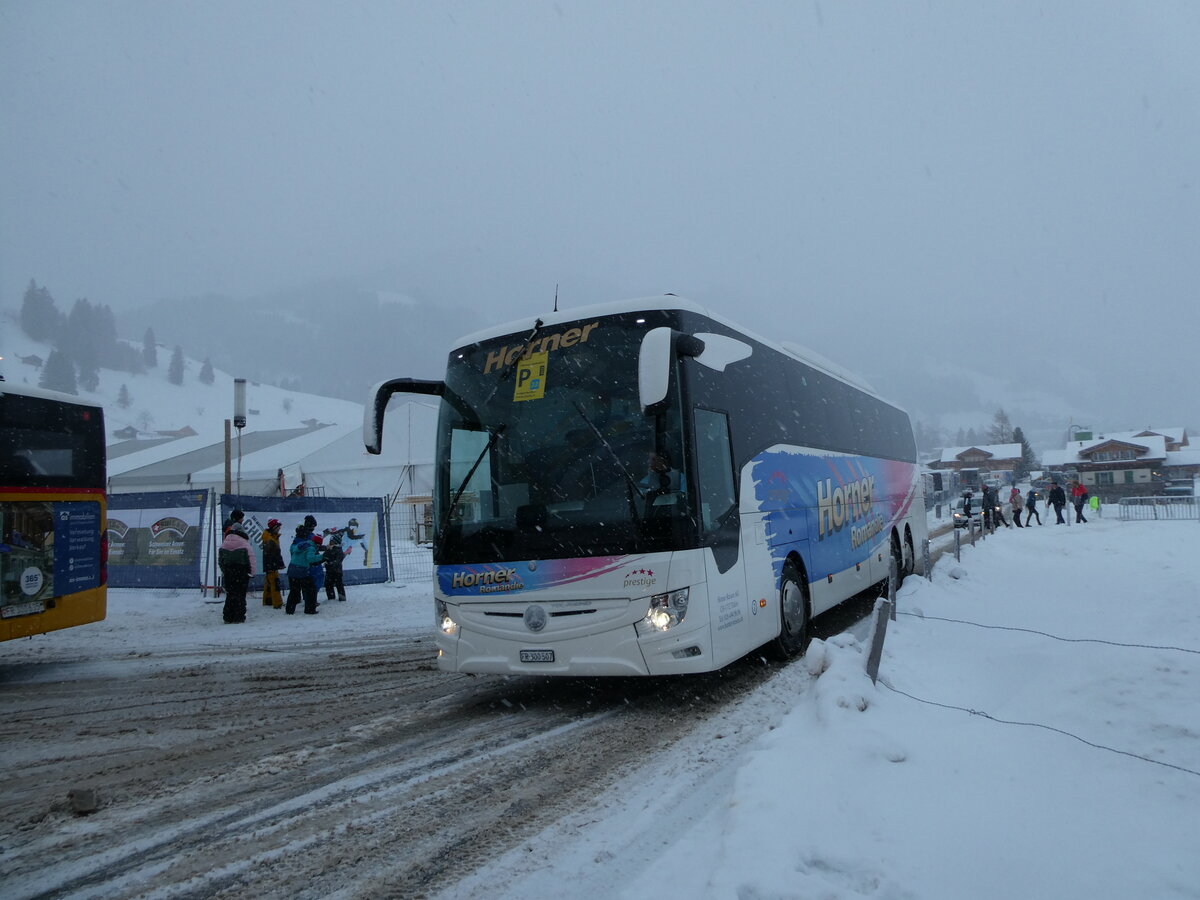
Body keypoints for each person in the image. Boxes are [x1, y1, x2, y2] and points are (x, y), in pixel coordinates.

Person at [218, 521, 257, 624]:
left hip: (229, 572)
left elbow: (220, 560)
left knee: (230, 594)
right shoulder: (245, 543)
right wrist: (252, 573)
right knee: (240, 595)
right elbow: (251, 559)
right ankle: (239, 617)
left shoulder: (225, 542)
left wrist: (225, 570)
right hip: (242, 572)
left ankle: (228, 617)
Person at [285, 524, 324, 615]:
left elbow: (293, 549)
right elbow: (310, 559)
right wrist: (322, 556)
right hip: (301, 571)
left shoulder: (302, 544)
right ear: (318, 544)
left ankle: (289, 610)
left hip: (292, 569)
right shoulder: (311, 548)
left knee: (294, 591)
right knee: (311, 589)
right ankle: (310, 609)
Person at [260, 518, 285, 609]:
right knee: (275, 584)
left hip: (269, 565)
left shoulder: (269, 537)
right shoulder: (271, 539)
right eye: (278, 527)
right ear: (274, 527)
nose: (279, 528)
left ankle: (268, 600)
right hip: (272, 565)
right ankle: (277, 603)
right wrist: (279, 564)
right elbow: (275, 554)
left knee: (269, 584)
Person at [323, 533, 347, 602]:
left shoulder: (339, 550)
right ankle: (331, 597)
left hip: (337, 571)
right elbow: (324, 556)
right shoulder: (329, 549)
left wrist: (330, 564)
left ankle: (342, 598)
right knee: (328, 584)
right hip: (329, 571)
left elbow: (337, 561)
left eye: (331, 541)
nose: (330, 542)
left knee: (339, 585)